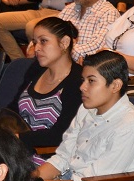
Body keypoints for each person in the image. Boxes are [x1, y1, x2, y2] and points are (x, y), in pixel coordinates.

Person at [32, 51, 134, 181]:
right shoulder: (87, 108)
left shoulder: (129, 125)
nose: (82, 87)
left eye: (91, 81)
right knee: (13, 175)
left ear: (115, 85)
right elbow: (63, 157)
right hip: (73, 180)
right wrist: (29, 180)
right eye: (83, 80)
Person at [13, 16, 83, 148]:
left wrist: (16, 138)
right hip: (17, 148)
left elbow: (60, 134)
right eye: (35, 42)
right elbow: (13, 109)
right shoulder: (36, 69)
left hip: (49, 157)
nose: (37, 48)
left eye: (43, 41)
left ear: (64, 42)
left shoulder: (77, 81)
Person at [55, 0, 121, 63]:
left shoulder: (109, 13)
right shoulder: (69, 9)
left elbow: (95, 50)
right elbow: (50, 31)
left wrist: (53, 48)